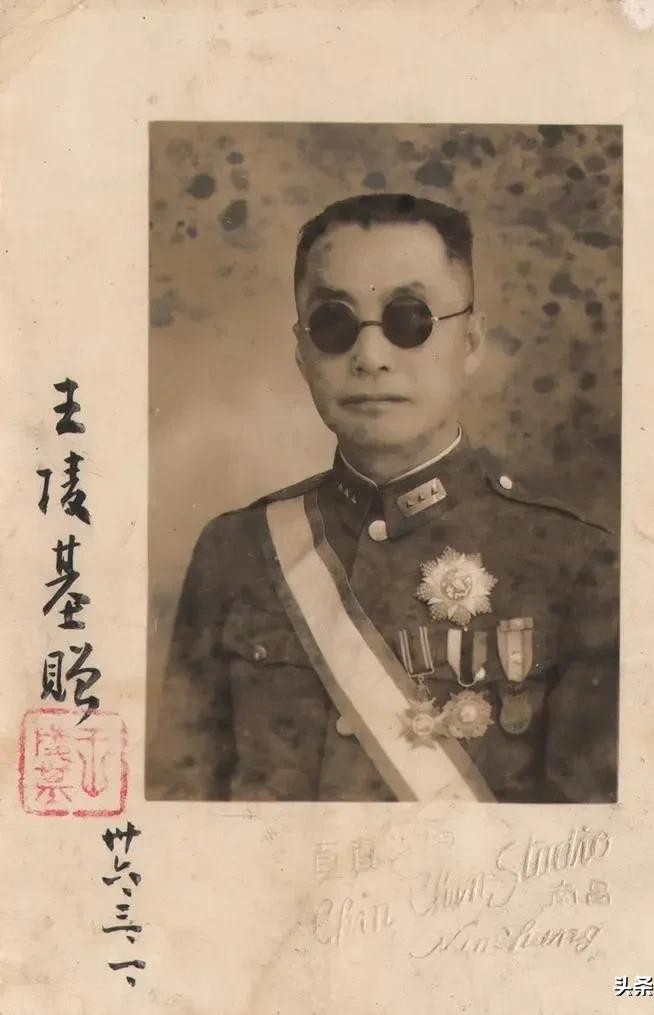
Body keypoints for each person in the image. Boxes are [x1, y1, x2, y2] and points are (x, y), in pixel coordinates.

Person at [147, 192, 618, 804]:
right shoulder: (233, 553)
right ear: (301, 351)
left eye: (409, 320)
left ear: (472, 342)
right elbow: (180, 813)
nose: (370, 358)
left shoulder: (574, 562)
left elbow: (592, 840)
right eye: (333, 324)